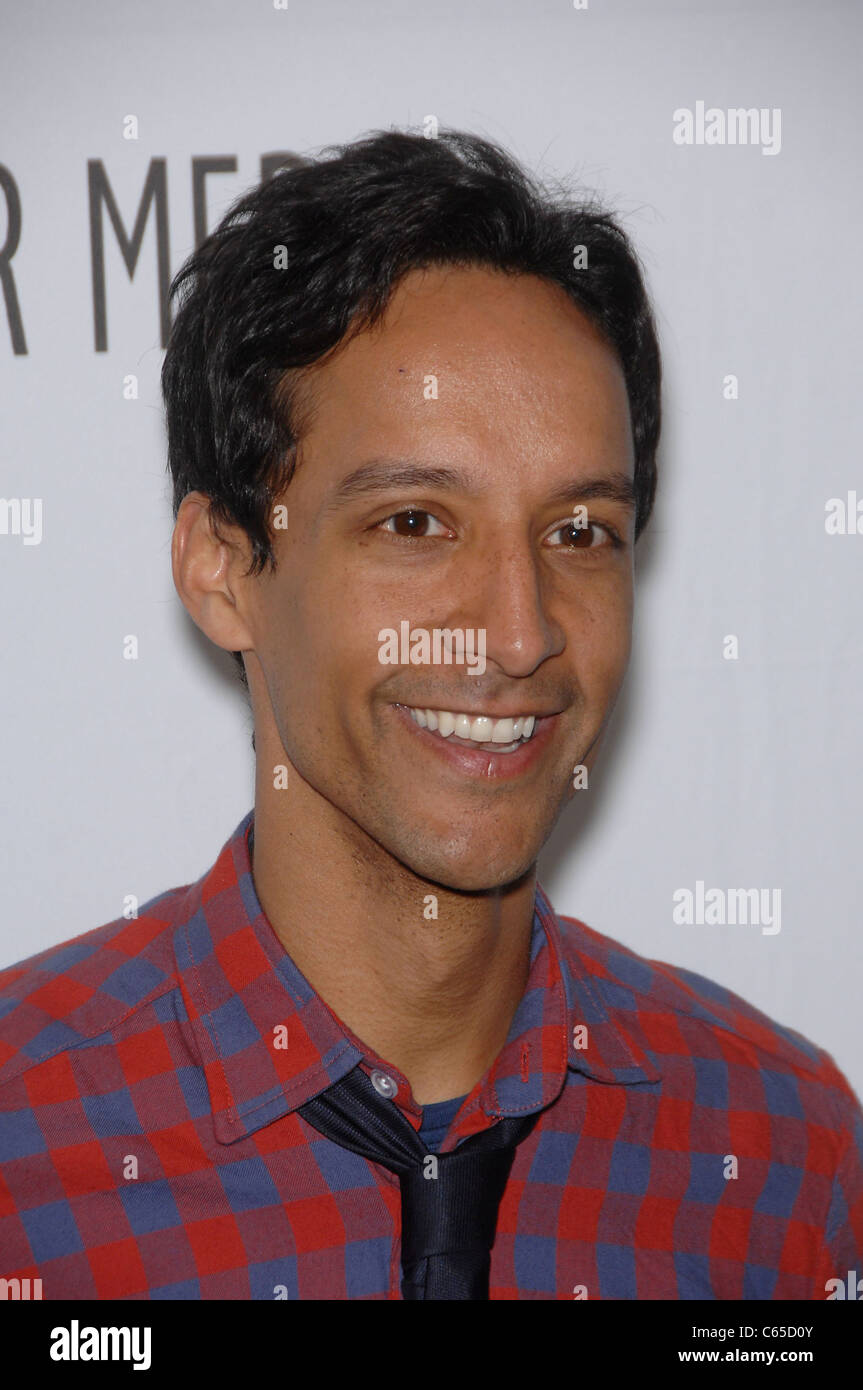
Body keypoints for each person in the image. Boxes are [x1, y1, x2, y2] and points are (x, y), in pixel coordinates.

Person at [1, 130, 860, 1301]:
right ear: (223, 568)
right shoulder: (20, 1148)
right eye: (413, 523)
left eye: (577, 532)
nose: (517, 634)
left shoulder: (780, 1151)